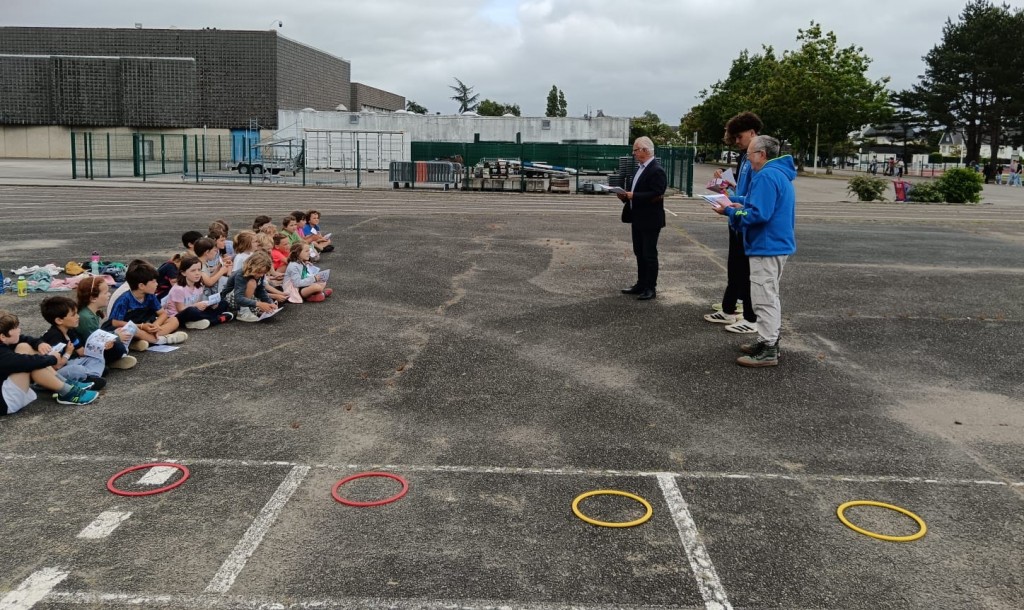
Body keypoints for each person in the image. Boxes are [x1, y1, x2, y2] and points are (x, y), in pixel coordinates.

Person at [713, 135, 796, 367]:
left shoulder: (766, 176)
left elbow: (759, 214)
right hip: (774, 244)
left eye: (750, 154)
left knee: (763, 298)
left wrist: (730, 211)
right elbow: (755, 202)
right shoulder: (777, 173)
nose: (747, 159)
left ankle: (768, 347)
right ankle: (767, 340)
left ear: (762, 154)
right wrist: (736, 201)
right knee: (767, 295)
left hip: (767, 245)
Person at [704, 112, 761, 334]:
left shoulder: (759, 161)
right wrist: (725, 184)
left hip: (745, 217)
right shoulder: (744, 157)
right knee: (735, 267)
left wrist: (732, 204)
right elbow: (742, 188)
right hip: (736, 216)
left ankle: (750, 317)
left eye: (739, 136)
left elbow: (755, 197)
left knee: (747, 271)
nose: (736, 141)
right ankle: (730, 308)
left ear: (752, 133)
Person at [0, 310, 99, 413]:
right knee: (32, 364)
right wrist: (52, 358)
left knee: (23, 346)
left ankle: (64, 383)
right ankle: (67, 392)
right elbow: (27, 362)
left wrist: (39, 344)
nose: (19, 330)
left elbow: (25, 339)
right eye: (15, 328)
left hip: (6, 391)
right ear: (2, 337)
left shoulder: (5, 341)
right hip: (6, 402)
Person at [619, 136, 667, 300]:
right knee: (639, 252)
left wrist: (634, 196)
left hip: (650, 219)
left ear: (645, 150)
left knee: (649, 254)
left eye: (635, 150)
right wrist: (625, 196)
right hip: (637, 217)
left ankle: (650, 288)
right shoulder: (639, 168)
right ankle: (641, 283)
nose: (633, 153)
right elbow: (636, 190)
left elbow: (657, 193)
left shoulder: (656, 170)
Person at [105, 261, 188, 346]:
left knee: (174, 320)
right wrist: (141, 326)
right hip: (133, 327)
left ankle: (143, 341)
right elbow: (115, 323)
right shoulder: (124, 300)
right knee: (132, 329)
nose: (157, 284)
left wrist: (155, 326)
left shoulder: (150, 296)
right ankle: (161, 340)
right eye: (154, 282)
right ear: (141, 286)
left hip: (147, 326)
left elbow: (163, 314)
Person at [39, 296, 107, 390]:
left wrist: (101, 347)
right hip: (54, 373)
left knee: (97, 358)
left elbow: (82, 352)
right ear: (59, 320)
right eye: (73, 315)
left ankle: (90, 377)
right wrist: (68, 353)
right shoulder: (54, 337)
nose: (78, 316)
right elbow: (56, 366)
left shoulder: (70, 331)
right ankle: (88, 377)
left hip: (68, 363)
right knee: (77, 369)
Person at [75, 277, 136, 369]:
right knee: (118, 347)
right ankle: (109, 362)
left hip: (90, 345)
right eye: (105, 292)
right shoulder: (86, 317)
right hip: (85, 351)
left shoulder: (91, 312)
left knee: (115, 331)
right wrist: (115, 336)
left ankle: (129, 345)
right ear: (93, 298)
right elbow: (93, 342)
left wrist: (114, 334)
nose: (109, 294)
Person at [165, 256, 234, 330]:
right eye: (193, 271)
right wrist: (196, 306)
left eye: (199, 270)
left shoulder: (199, 286)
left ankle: (201, 321)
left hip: (195, 311)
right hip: (178, 316)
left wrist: (209, 304)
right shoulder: (178, 289)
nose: (197, 273)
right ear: (183, 273)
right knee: (192, 311)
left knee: (223, 303)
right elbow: (181, 310)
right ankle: (217, 319)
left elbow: (198, 304)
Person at [222, 251, 279, 323]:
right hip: (228, 299)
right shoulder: (241, 274)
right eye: (259, 272)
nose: (261, 275)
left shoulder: (259, 274)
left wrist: (270, 302)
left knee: (264, 307)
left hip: (243, 298)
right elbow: (238, 297)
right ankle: (243, 312)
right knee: (252, 282)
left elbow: (260, 290)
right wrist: (259, 304)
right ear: (252, 267)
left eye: (263, 273)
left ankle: (250, 310)